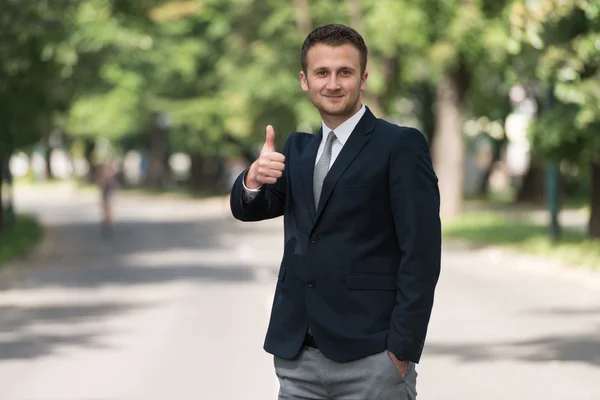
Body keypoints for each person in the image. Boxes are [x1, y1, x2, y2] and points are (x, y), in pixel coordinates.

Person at [230, 24, 441, 399]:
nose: (332, 83)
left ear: (363, 78)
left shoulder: (399, 146)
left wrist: (401, 350)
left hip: (372, 359)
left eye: (344, 72)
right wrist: (251, 177)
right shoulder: (297, 149)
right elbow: (248, 209)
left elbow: (422, 255)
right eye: (321, 73)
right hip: (297, 360)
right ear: (304, 80)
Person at [97, 161, 117, 237]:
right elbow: (100, 184)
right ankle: (106, 224)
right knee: (105, 210)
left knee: (109, 210)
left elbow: (114, 185)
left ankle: (109, 224)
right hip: (104, 194)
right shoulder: (102, 175)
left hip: (110, 194)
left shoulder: (112, 175)